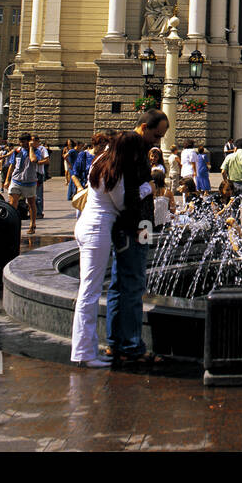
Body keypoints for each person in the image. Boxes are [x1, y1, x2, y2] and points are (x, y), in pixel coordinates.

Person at [71, 134, 149, 368]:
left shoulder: (99, 161)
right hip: (98, 230)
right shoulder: (113, 172)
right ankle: (84, 353)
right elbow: (123, 203)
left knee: (88, 291)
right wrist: (146, 188)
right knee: (90, 293)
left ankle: (85, 349)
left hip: (85, 225)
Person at [107, 125, 158, 362]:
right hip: (138, 228)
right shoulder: (131, 167)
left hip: (128, 228)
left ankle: (114, 342)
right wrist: (150, 187)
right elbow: (128, 200)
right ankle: (133, 346)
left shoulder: (110, 165)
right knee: (135, 285)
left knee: (118, 285)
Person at [1, 134, 40, 235]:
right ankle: (12, 224)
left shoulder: (36, 151)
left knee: (31, 204)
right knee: (13, 203)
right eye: (20, 142)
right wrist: (7, 179)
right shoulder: (17, 151)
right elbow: (12, 165)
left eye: (24, 142)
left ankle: (32, 224)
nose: (21, 144)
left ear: (29, 141)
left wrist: (31, 148)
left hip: (29, 181)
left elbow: (33, 160)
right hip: (16, 180)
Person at [220, 137, 242, 228]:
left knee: (234, 207)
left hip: (232, 185)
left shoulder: (229, 157)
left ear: (235, 147)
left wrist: (226, 181)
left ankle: (235, 227)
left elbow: (223, 171)